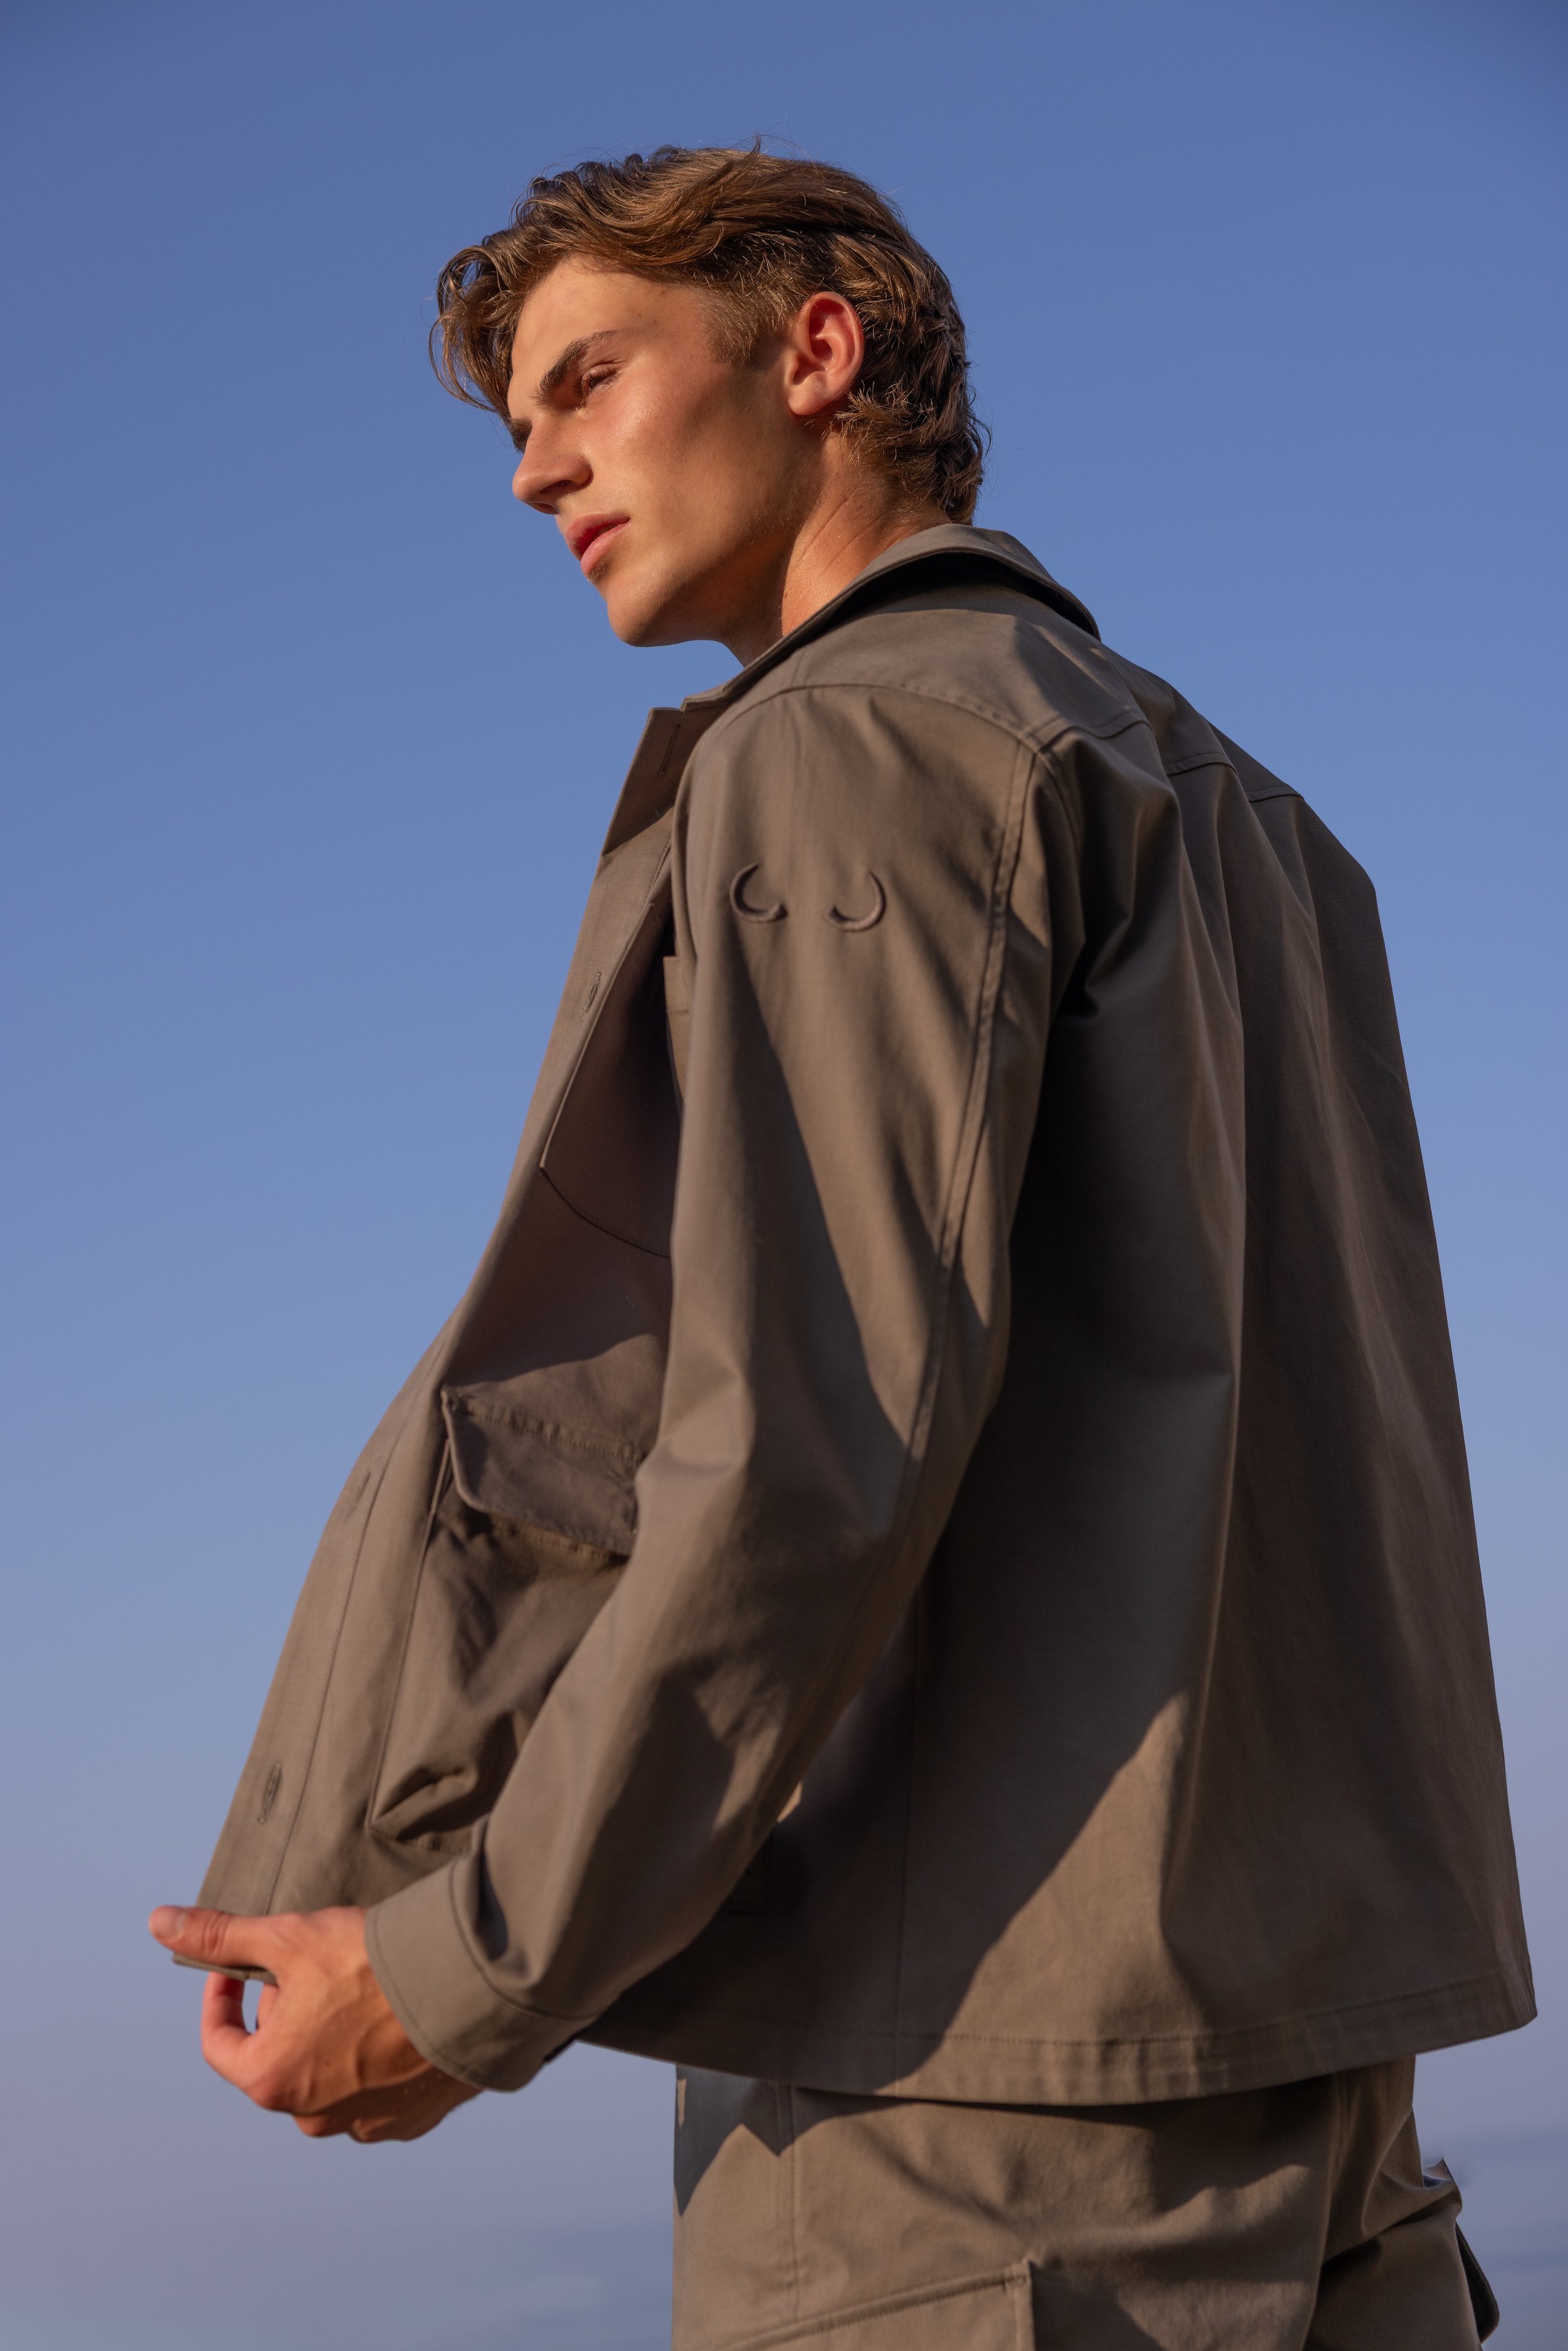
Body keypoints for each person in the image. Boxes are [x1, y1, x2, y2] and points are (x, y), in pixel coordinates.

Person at [151, 146, 1529, 2345]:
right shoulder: (1255, 816)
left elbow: (802, 1454)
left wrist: (454, 1974)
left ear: (817, 351)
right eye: (519, 417)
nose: (533, 470)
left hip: (974, 2123)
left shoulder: (845, 744)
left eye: (584, 379)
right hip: (1324, 2083)